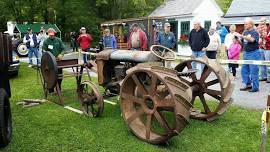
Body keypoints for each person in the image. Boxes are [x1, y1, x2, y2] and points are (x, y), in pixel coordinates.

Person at [238, 18, 260, 92]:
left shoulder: (255, 32)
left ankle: (255, 87)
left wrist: (242, 36)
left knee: (254, 71)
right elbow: (242, 43)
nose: (244, 25)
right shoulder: (245, 32)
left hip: (254, 53)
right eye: (244, 24)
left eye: (246, 24)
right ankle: (248, 85)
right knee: (244, 70)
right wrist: (237, 39)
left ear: (251, 24)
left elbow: (252, 40)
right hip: (246, 53)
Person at [42, 28, 65, 93]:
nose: (51, 36)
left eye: (52, 35)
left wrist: (61, 54)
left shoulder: (58, 40)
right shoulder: (46, 42)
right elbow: (44, 52)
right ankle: (51, 89)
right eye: (50, 35)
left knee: (60, 76)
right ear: (48, 34)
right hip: (50, 62)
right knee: (51, 76)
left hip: (58, 61)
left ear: (54, 34)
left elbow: (63, 48)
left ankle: (59, 88)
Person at [257, 17, 270, 82]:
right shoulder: (260, 28)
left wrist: (266, 38)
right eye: (261, 21)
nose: (262, 22)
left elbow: (268, 38)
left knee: (268, 63)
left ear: (266, 21)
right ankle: (263, 76)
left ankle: (269, 77)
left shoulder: (268, 28)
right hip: (261, 47)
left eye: (263, 21)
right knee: (261, 63)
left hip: (268, 48)